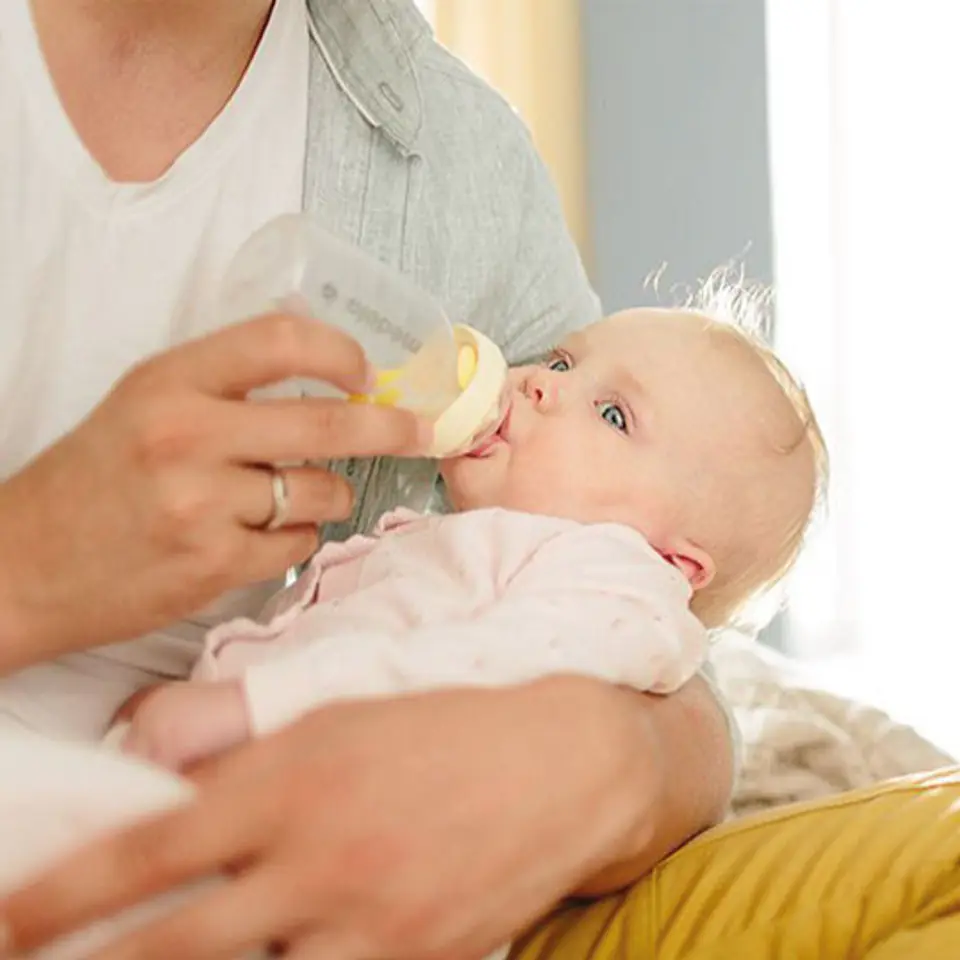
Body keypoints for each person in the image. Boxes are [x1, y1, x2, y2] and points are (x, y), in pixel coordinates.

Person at [0, 1, 736, 957]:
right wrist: (29, 564)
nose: (536, 387)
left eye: (598, 402)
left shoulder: (456, 161)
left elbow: (676, 663)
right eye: (555, 368)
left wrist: (612, 761)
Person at [117, 307, 825, 774]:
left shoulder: (611, 588)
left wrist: (242, 707)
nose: (543, 386)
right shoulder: (463, 545)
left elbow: (468, 669)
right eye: (562, 361)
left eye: (612, 414)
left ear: (672, 563)